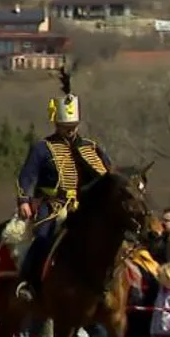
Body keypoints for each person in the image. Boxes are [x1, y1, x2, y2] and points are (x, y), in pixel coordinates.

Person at [14, 67, 113, 303]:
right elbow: (26, 177)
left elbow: (109, 175)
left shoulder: (91, 146)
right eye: (65, 126)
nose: (70, 130)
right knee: (43, 238)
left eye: (73, 125)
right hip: (54, 205)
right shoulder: (42, 148)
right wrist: (24, 200)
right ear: (56, 124)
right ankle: (29, 282)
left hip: (86, 207)